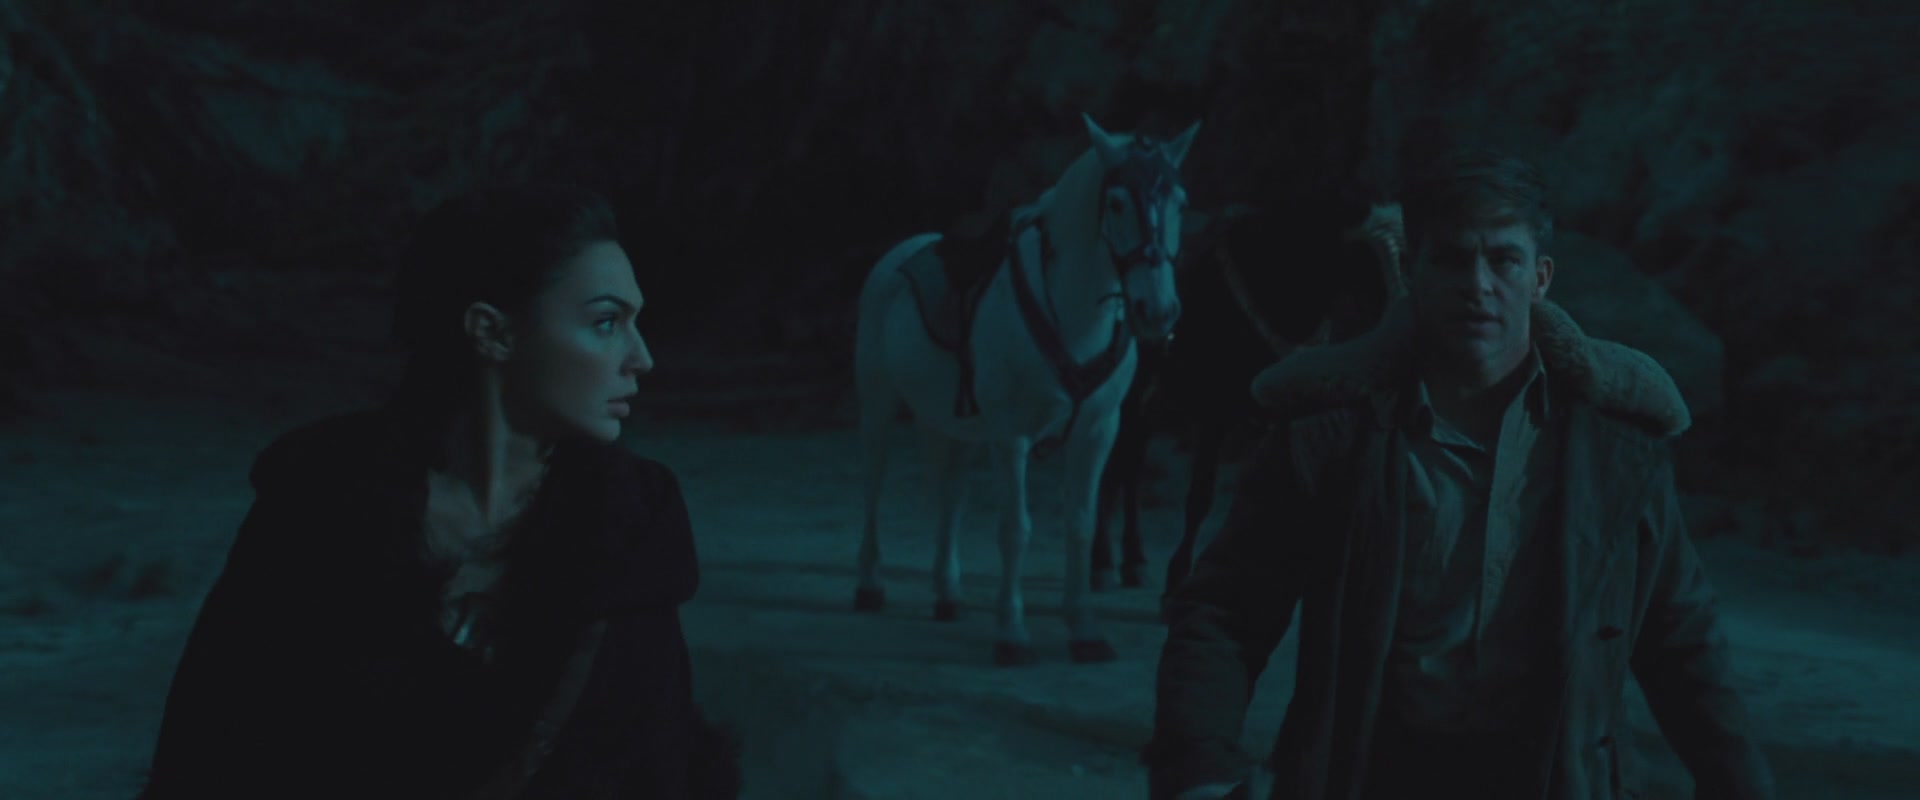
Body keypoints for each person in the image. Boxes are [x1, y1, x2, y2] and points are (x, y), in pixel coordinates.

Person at [1142, 150, 1775, 799]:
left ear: (1540, 277)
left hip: (1555, 777)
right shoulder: (1332, 439)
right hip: (1375, 776)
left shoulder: (1614, 449)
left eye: (1503, 260)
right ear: (1411, 272)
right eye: (1451, 259)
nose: (1478, 285)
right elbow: (1227, 611)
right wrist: (1200, 767)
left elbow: (1680, 638)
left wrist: (1740, 784)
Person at [139, 183, 742, 799]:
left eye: (635, 323)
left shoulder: (633, 525)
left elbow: (657, 765)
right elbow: (209, 748)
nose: (642, 358)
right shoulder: (321, 506)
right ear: (492, 332)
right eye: (606, 323)